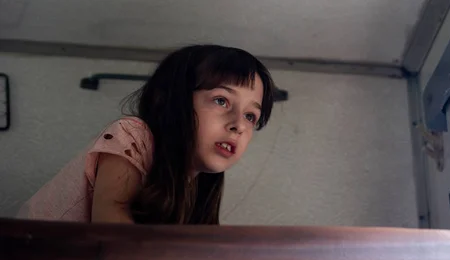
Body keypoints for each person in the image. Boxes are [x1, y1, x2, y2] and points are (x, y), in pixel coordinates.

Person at [17, 45, 275, 224]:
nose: (238, 125)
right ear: (172, 101)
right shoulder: (133, 135)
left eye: (251, 116)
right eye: (221, 100)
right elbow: (114, 232)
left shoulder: (199, 185)